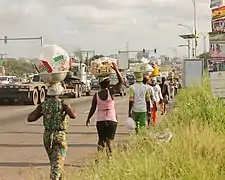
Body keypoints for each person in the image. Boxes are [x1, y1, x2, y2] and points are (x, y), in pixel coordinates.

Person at [27, 83, 76, 180]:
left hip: (47, 137)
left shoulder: (43, 105)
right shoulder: (63, 104)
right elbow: (73, 115)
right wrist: (68, 108)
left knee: (55, 162)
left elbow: (30, 118)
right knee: (57, 165)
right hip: (59, 136)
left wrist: (43, 113)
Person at [86, 62, 123, 157]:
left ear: (100, 84)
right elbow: (121, 82)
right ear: (109, 83)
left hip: (100, 120)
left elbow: (93, 108)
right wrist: (116, 70)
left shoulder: (96, 95)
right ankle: (110, 158)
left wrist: (88, 118)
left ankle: (99, 157)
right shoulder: (112, 91)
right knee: (110, 140)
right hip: (111, 120)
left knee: (101, 140)